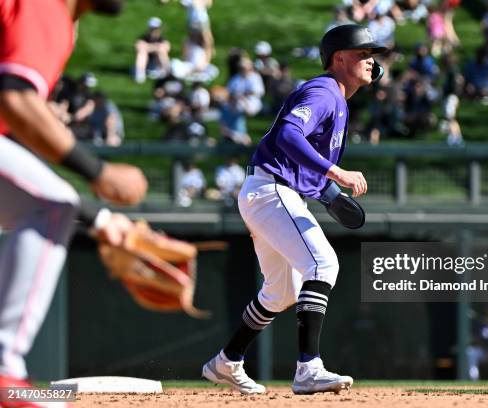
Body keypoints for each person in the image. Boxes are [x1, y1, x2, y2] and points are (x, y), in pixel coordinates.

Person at [201, 24, 386, 395]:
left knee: (281, 292)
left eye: (372, 55)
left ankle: (226, 361)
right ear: (339, 58)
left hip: (270, 192)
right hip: (271, 191)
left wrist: (329, 192)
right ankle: (308, 369)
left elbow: (299, 161)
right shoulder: (324, 90)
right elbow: (287, 135)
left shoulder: (337, 99)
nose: (371, 61)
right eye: (363, 53)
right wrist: (336, 172)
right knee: (323, 264)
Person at [0, 0, 148, 398]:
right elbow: (14, 99)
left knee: (50, 204)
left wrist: (98, 218)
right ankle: (3, 374)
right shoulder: (44, 7)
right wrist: (99, 173)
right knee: (51, 206)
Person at [133, 17, 171, 83]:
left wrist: (147, 47)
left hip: (157, 66)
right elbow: (138, 46)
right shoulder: (143, 38)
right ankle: (140, 74)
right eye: (152, 29)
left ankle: (167, 73)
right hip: (147, 64)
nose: (154, 31)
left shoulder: (162, 39)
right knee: (142, 52)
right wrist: (156, 47)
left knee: (162, 52)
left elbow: (166, 47)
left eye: (156, 29)